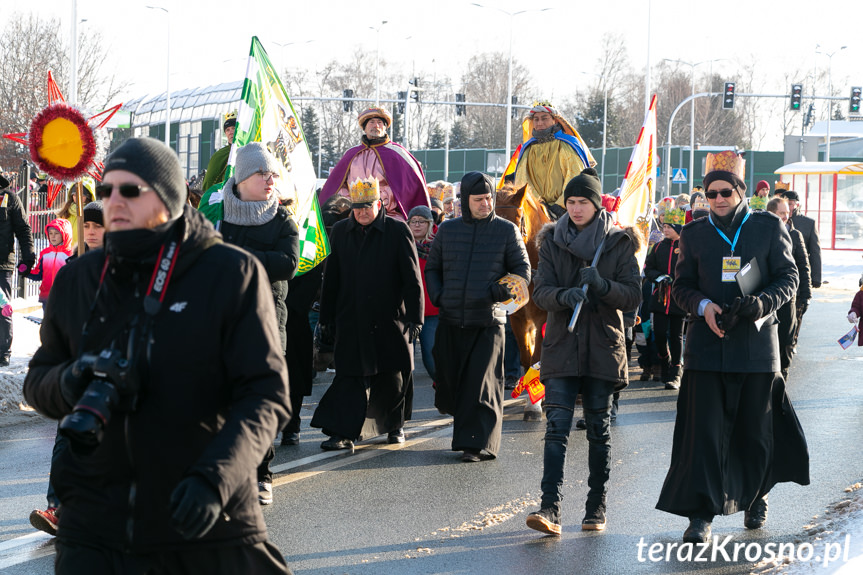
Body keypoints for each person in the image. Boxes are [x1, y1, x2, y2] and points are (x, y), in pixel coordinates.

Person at [23, 137, 293, 574]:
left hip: (202, 521)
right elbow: (39, 380)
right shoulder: (78, 280)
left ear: (167, 200)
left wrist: (215, 478)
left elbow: (265, 395)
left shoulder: (230, 272)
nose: (113, 200)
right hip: (95, 529)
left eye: (130, 190)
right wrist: (71, 380)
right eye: (106, 190)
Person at [656, 151, 809, 544]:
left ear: (740, 191)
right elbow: (682, 286)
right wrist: (703, 307)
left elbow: (789, 277)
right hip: (707, 347)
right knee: (703, 434)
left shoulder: (768, 227)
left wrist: (762, 302)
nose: (718, 199)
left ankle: (757, 495)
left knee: (754, 433)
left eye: (726, 192)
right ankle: (700, 515)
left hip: (756, 347)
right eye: (711, 193)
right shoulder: (694, 234)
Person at [524, 168, 641, 535]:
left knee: (597, 430)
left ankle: (595, 507)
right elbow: (539, 292)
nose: (575, 209)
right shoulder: (552, 243)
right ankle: (550, 507)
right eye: (570, 202)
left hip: (603, 347)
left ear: (596, 204)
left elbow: (633, 295)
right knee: (556, 427)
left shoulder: (618, 243)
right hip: (562, 345)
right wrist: (564, 295)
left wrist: (603, 286)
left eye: (583, 202)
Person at [311, 176, 424, 451]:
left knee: (392, 375)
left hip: (390, 317)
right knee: (349, 376)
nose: (362, 212)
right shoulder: (340, 231)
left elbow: (412, 278)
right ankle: (342, 431)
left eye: (367, 206)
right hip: (351, 317)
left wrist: (415, 318)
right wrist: (325, 319)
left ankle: (394, 426)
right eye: (357, 207)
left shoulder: (398, 231)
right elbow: (332, 278)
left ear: (379, 203)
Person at [425, 171, 530, 462]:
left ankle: (476, 444)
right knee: (452, 383)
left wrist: (496, 292)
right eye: (479, 199)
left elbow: (522, 273)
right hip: (451, 320)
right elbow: (432, 269)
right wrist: (439, 296)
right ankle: (468, 435)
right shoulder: (448, 230)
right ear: (465, 201)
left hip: (488, 321)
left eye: (488, 198)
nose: (485, 204)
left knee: (480, 384)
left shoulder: (506, 231)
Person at [219, 142, 300, 506]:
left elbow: (288, 263)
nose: (270, 181)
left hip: (268, 316)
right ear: (242, 179)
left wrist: (238, 257)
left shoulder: (282, 218)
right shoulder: (216, 212)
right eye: (262, 174)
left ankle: (262, 474)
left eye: (273, 175)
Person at [29, 202, 105, 536]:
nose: (90, 232)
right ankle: (58, 507)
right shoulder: (71, 268)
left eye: (98, 226)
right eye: (86, 225)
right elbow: (55, 317)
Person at [319, 107, 429, 221]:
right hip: (353, 212)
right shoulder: (351, 154)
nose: (376, 126)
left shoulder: (398, 154)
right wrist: (352, 203)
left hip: (388, 214)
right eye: (371, 122)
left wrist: (378, 202)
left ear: (385, 128)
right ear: (364, 128)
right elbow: (339, 185)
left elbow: (407, 188)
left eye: (380, 123)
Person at [514, 101, 594, 218]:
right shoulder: (528, 149)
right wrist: (538, 204)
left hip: (567, 211)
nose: (540, 123)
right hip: (536, 211)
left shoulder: (566, 144)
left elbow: (575, 176)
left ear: (555, 120)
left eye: (544, 118)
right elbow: (522, 180)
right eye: (536, 119)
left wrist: (561, 205)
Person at [766, 197, 811, 379]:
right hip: (767, 296)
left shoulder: (795, 235)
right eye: (781, 213)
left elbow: (803, 265)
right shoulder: (762, 235)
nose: (786, 216)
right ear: (771, 214)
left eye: (787, 212)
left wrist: (806, 295)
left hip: (789, 297)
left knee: (786, 338)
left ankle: (783, 373)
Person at [643, 208, 686, 390]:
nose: (665, 230)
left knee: (676, 336)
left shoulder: (686, 247)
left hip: (679, 298)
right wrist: (659, 277)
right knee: (659, 333)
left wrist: (679, 280)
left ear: (678, 227)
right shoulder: (658, 247)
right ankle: (665, 359)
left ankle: (676, 372)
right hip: (660, 297)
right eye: (664, 226)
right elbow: (648, 268)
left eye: (668, 227)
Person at [0, 173, 36, 366]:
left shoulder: (10, 198)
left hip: (2, 264)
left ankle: (3, 352)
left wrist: (28, 257)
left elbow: (23, 229)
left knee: (2, 309)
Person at [784, 189, 822, 349]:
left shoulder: (808, 223)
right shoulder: (775, 221)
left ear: (797, 204)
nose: (789, 208)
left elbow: (815, 252)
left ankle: (792, 343)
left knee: (797, 313)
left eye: (791, 204)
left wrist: (816, 278)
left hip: (799, 278)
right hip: (781, 278)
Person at [408, 205, 439, 381]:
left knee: (431, 356)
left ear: (429, 224)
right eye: (414, 221)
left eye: (422, 221)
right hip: (407, 310)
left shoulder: (438, 246)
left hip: (432, 310)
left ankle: (442, 387)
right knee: (403, 360)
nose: (417, 225)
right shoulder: (402, 244)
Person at [24, 218, 73, 309]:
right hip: (47, 297)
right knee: (48, 322)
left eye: (56, 233)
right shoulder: (45, 254)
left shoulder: (71, 255)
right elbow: (39, 274)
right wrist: (26, 271)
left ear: (65, 234)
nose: (53, 236)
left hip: (65, 297)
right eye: (50, 233)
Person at [201, 110, 237, 192]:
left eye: (233, 128)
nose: (231, 132)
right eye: (227, 130)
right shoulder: (219, 155)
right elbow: (210, 180)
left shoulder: (248, 150)